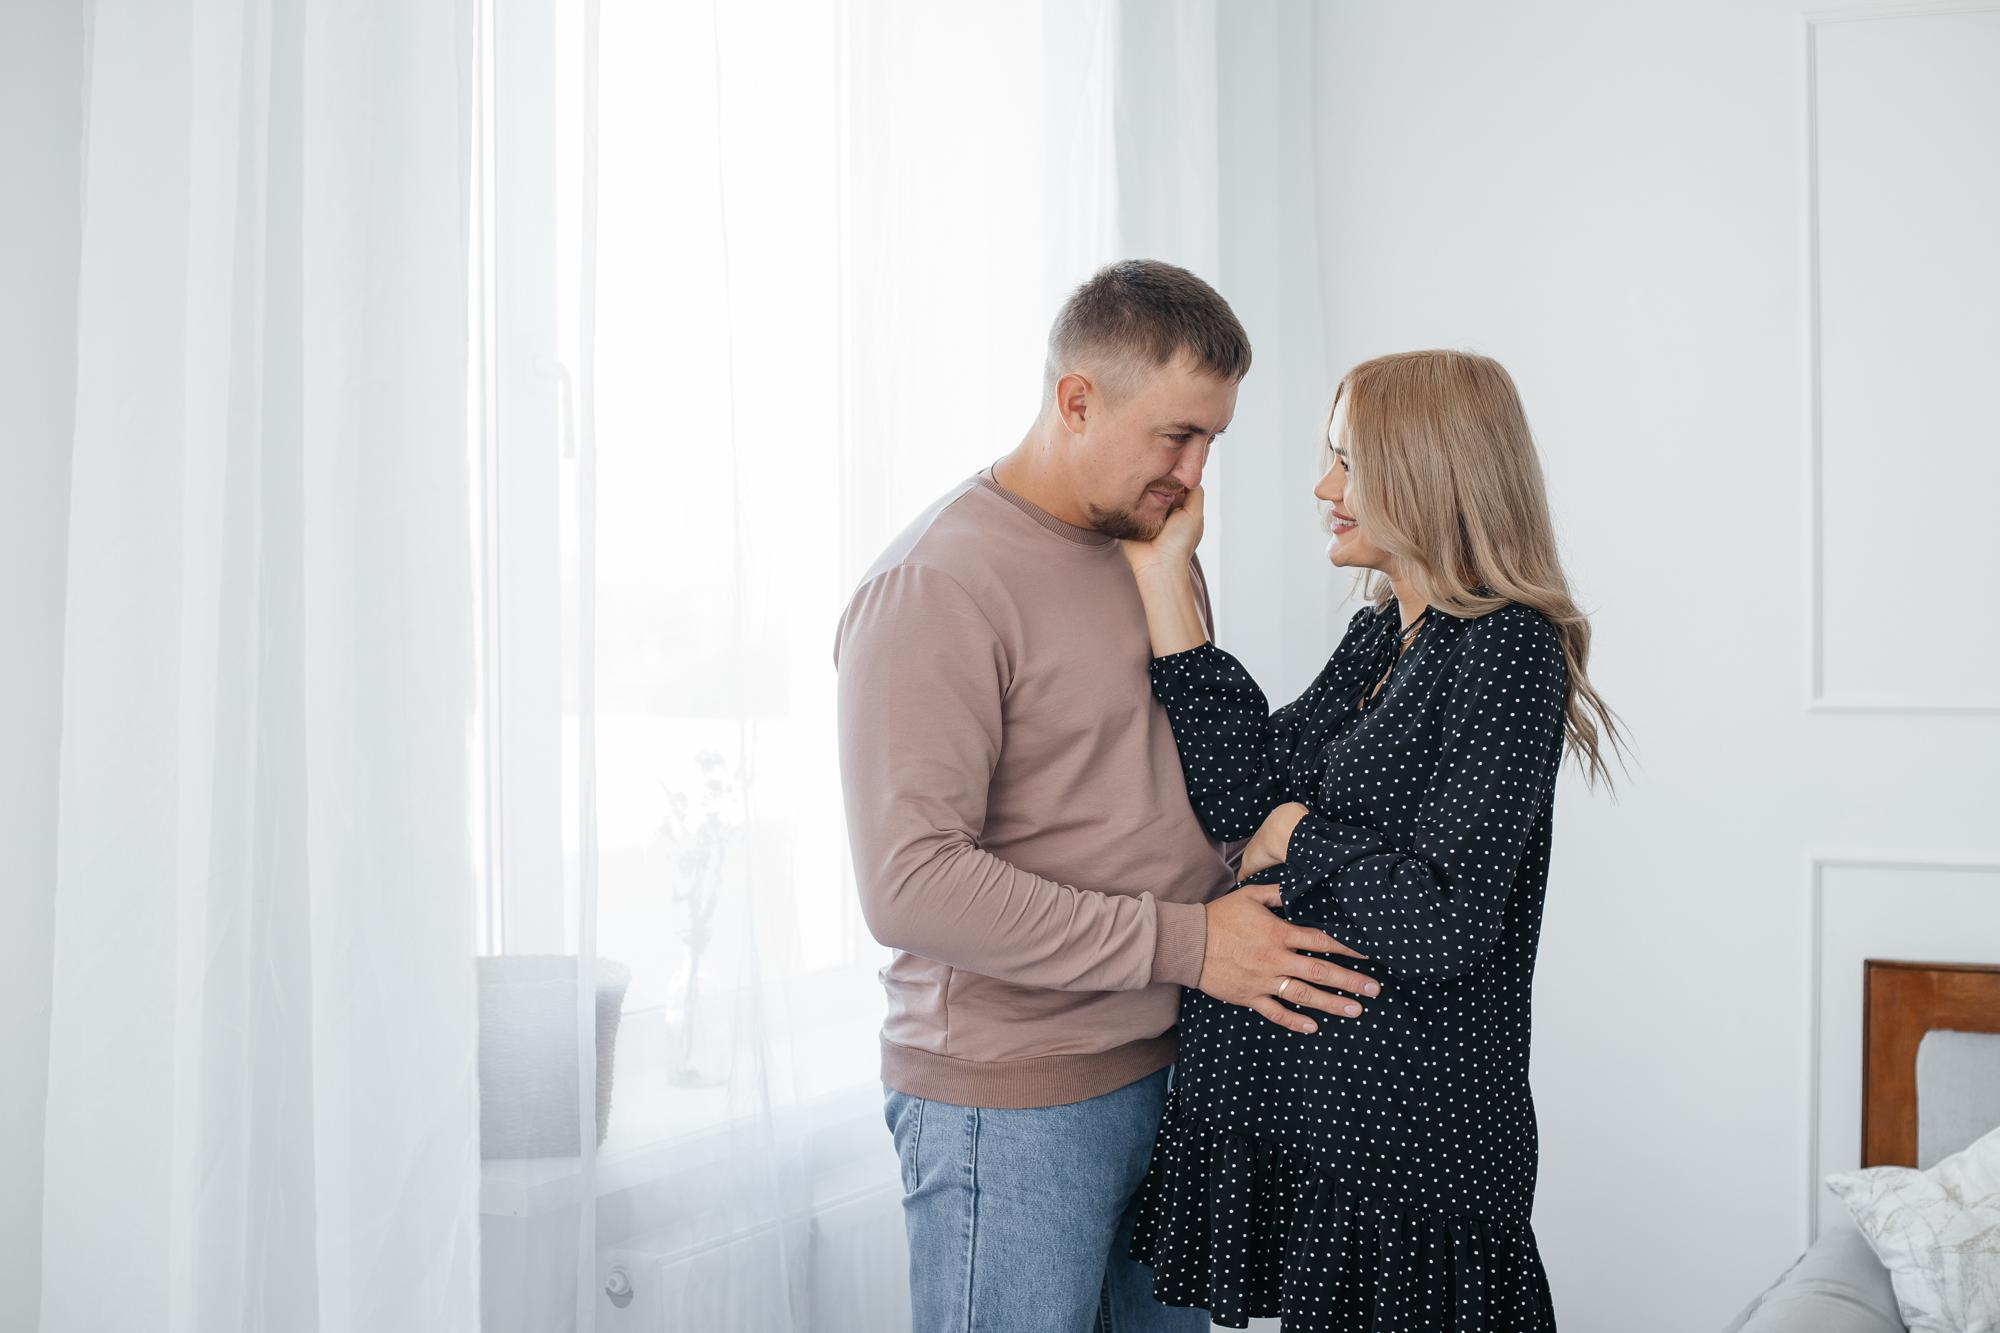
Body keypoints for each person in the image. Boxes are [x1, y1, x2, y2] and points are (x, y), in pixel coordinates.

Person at [833, 260, 1381, 1332]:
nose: (1193, 472)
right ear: (1075, 400)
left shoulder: (1154, 549)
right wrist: (1191, 942)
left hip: (1173, 1068)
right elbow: (910, 886)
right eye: (1175, 436)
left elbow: (1169, 790)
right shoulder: (935, 584)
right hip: (1013, 1101)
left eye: (1212, 440)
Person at [1117, 349, 1628, 1332]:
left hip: (1408, 1160)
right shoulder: (1384, 635)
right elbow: (1242, 796)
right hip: (1326, 1135)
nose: (1324, 488)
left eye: (1348, 462)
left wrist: (1299, 833)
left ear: (1428, 471)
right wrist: (1163, 576)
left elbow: (1444, 920)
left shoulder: (1507, 647)